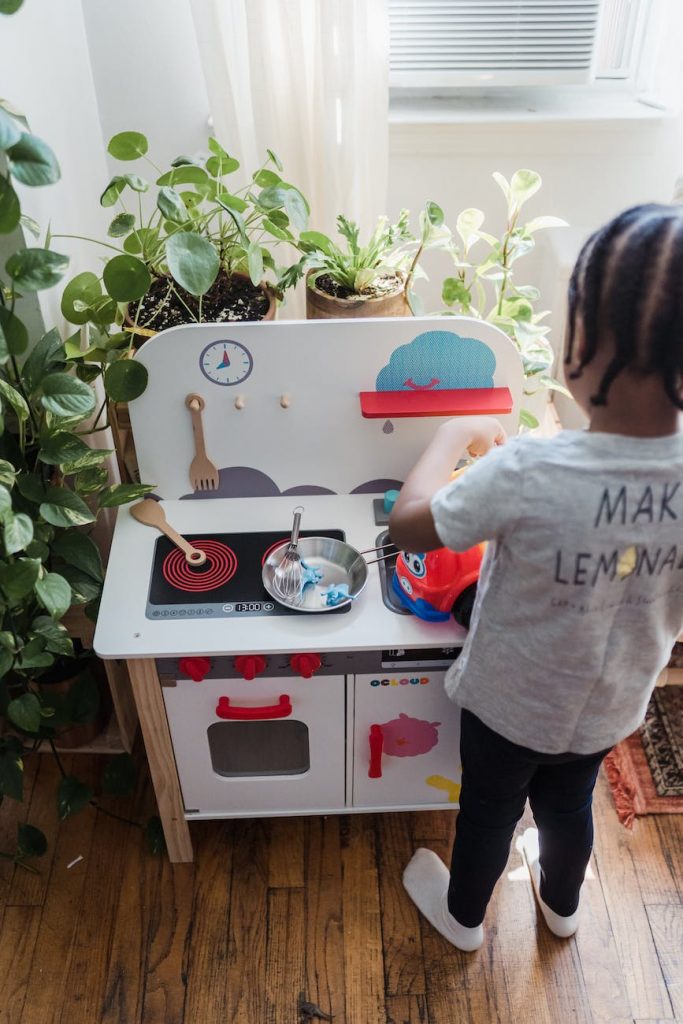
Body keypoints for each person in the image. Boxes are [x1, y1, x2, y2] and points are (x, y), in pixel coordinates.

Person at [388, 203, 683, 952]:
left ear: (577, 348)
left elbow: (408, 526)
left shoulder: (529, 467)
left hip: (509, 704)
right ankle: (562, 908)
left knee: (489, 812)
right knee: (568, 806)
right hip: (610, 704)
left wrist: (452, 434)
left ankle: (463, 921)